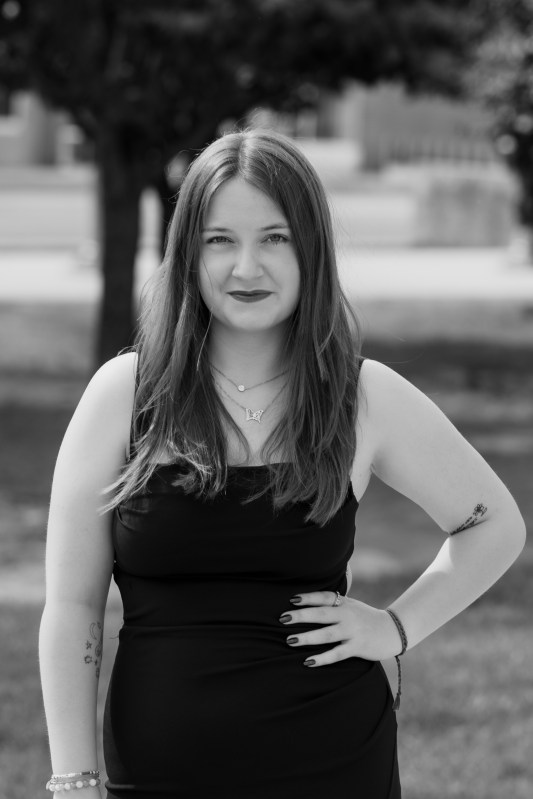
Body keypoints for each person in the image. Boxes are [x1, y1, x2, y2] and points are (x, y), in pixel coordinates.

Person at [39, 128, 526, 799]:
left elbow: (494, 523)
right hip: (155, 772)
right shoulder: (124, 395)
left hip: (335, 763)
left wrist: (395, 626)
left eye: (274, 238)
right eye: (220, 240)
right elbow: (73, 607)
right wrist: (73, 778)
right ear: (188, 254)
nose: (247, 267)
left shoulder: (362, 396)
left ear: (310, 250)